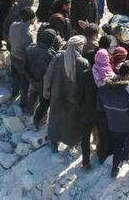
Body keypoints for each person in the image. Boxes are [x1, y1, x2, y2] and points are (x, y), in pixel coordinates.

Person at [44, 35, 89, 163]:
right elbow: (86, 83)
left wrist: (46, 91)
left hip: (57, 96)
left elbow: (48, 76)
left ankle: (53, 144)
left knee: (55, 119)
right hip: (74, 100)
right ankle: (71, 144)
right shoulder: (83, 62)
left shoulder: (58, 57)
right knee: (71, 123)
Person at [9, 8, 36, 108]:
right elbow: (28, 51)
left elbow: (10, 40)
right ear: (30, 20)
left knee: (15, 76)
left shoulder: (13, 25)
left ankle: (14, 93)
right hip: (21, 60)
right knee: (26, 82)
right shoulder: (27, 35)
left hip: (13, 55)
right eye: (34, 18)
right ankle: (23, 103)